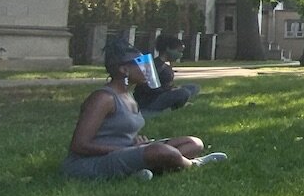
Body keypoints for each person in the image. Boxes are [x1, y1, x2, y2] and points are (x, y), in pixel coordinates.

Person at [63, 37, 226, 180]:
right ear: (124, 69)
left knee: (193, 143)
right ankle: (193, 164)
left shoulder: (128, 94)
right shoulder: (103, 98)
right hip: (92, 162)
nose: (147, 68)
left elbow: (119, 132)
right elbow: (79, 145)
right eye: (140, 64)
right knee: (161, 151)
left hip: (126, 151)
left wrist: (135, 142)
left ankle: (140, 171)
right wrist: (128, 148)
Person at [133, 34, 201, 115]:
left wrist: (172, 88)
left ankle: (175, 103)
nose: (181, 54)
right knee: (184, 93)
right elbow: (147, 88)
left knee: (194, 87)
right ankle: (174, 107)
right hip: (151, 99)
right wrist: (168, 90)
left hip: (164, 93)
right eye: (179, 51)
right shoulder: (155, 65)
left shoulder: (167, 64)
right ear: (168, 49)